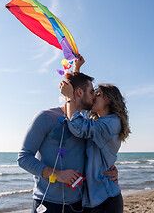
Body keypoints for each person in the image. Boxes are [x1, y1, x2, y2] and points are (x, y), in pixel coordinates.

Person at [18, 69, 118, 213]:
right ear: (79, 93)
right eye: (91, 92)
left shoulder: (85, 123)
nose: (94, 97)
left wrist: (110, 167)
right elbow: (23, 158)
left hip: (78, 204)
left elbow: (99, 151)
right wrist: (57, 174)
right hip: (47, 203)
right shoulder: (45, 117)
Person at [59, 58, 130, 212]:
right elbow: (80, 98)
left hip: (106, 199)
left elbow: (77, 126)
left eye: (97, 94)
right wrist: (76, 69)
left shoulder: (111, 124)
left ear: (109, 100)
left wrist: (69, 97)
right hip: (92, 199)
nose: (93, 97)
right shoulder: (96, 120)